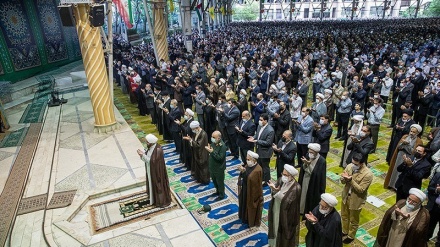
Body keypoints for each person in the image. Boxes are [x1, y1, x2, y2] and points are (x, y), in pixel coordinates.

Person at [340, 153, 373, 244]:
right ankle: (344, 231)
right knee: (344, 216)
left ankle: (351, 236)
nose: (353, 165)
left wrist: (350, 180)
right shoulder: (350, 166)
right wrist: (343, 178)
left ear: (362, 163)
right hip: (346, 195)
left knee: (353, 220)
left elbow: (361, 189)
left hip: (356, 199)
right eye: (352, 163)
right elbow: (342, 181)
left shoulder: (368, 174)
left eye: (356, 164)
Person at [267, 165, 301, 247]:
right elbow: (275, 192)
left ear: (291, 176)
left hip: (286, 215)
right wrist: (274, 190)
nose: (283, 176)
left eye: (286, 175)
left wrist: (276, 192)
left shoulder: (296, 188)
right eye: (283, 173)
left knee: (283, 232)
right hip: (276, 208)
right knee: (275, 227)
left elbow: (287, 202)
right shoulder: (281, 180)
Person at [384, 124, 423, 190]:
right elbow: (398, 147)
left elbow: (413, 152)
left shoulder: (418, 141)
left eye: (414, 132)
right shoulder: (405, 136)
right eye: (411, 131)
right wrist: (402, 144)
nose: (411, 133)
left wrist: (407, 145)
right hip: (399, 156)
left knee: (402, 173)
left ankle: (398, 188)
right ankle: (392, 185)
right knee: (395, 170)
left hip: (408, 158)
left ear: (417, 133)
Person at [136, 134, 171, 207]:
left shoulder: (158, 150)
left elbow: (152, 162)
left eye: (147, 142)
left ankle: (160, 201)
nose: (146, 143)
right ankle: (153, 199)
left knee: (158, 185)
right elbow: (149, 159)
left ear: (151, 142)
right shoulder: (151, 147)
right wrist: (142, 155)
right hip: (151, 170)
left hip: (157, 172)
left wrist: (142, 155)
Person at [298, 143, 327, 216]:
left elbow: (318, 175)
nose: (310, 154)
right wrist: (305, 164)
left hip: (314, 184)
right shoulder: (307, 156)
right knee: (303, 195)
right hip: (305, 180)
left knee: (311, 198)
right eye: (309, 152)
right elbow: (303, 169)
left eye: (312, 152)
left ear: (316, 152)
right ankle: (301, 210)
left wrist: (309, 164)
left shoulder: (321, 161)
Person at [237, 151, 263, 228]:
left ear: (254, 160)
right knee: (244, 202)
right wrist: (243, 171)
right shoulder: (248, 166)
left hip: (252, 192)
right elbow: (246, 177)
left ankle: (249, 220)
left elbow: (252, 180)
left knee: (250, 205)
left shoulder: (258, 170)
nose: (247, 161)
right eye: (247, 159)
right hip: (246, 189)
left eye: (248, 159)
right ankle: (244, 217)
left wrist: (244, 172)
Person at [247, 113, 275, 184]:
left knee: (265, 167)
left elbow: (268, 143)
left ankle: (267, 181)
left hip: (265, 152)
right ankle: (261, 178)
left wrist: (257, 141)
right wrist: (253, 137)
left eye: (261, 120)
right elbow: (257, 134)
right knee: (259, 165)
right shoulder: (259, 126)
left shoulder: (270, 130)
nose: (259, 121)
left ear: (265, 121)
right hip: (259, 150)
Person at [206, 131, 227, 201]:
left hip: (219, 168)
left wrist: (212, 152)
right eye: (212, 137)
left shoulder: (222, 146)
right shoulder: (214, 143)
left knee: (220, 182)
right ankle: (217, 191)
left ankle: (221, 194)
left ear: (218, 138)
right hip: (212, 166)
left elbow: (220, 158)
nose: (212, 138)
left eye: (213, 137)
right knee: (214, 181)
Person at [426, 150, 440, 244]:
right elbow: (430, 188)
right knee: (429, 224)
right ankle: (425, 239)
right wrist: (437, 190)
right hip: (434, 205)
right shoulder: (438, 175)